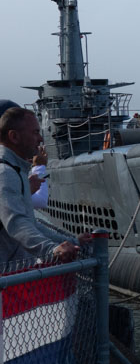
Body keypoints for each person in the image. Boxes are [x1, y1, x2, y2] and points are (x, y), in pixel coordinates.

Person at [0, 107, 78, 264]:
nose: (41, 139)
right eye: (35, 132)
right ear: (14, 137)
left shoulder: (17, 170)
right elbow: (16, 223)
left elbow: (31, 223)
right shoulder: (5, 173)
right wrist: (51, 250)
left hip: (13, 273)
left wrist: (72, 241)